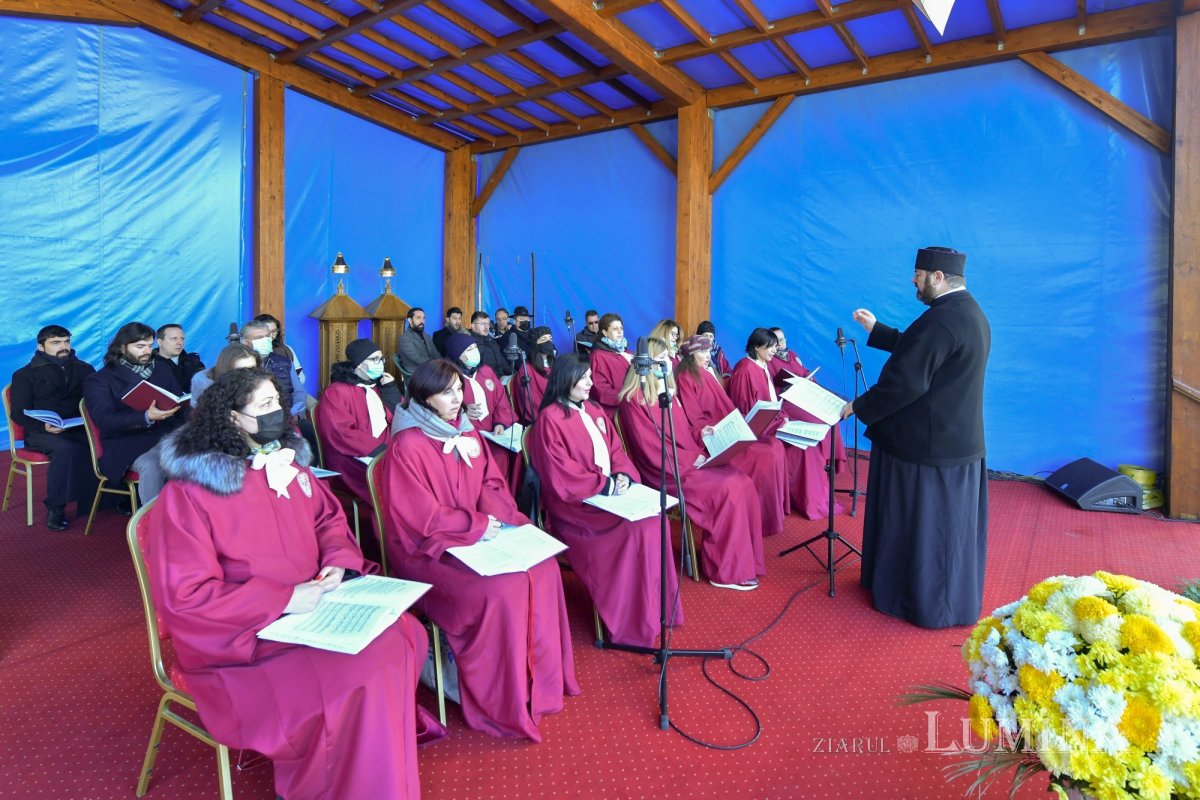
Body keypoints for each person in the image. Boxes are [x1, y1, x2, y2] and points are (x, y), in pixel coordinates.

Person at [150, 367, 441, 800]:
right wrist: (283, 599)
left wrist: (339, 563)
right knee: (357, 672)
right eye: (264, 406)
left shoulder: (290, 468)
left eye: (278, 403)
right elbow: (187, 596)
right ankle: (340, 782)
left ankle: (375, 764)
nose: (278, 413)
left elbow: (328, 521)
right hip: (247, 635)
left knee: (405, 634)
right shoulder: (190, 494)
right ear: (232, 418)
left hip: (316, 606)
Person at [379, 359, 580, 741]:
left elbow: (490, 484)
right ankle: (497, 697)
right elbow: (419, 516)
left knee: (543, 569)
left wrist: (508, 525)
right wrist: (477, 526)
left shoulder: (466, 432)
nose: (459, 398)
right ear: (424, 398)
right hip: (428, 548)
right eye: (447, 392)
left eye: (459, 388)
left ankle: (539, 683)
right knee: (502, 590)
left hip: (480, 537)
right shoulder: (407, 444)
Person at [843, 246, 991, 629]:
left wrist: (859, 406)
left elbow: (908, 379)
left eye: (918, 275)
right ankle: (943, 599)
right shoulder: (966, 312)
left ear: (938, 277)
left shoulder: (941, 321)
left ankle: (919, 602)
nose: (914, 280)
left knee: (927, 532)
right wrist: (877, 330)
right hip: (955, 442)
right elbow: (920, 348)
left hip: (927, 448)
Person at [527, 354, 682, 646]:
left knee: (654, 519)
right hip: (577, 510)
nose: (590, 382)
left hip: (608, 497)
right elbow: (561, 474)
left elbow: (617, 451)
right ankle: (632, 622)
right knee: (636, 530)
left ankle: (658, 612)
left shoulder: (596, 411)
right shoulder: (550, 419)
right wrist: (605, 485)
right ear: (565, 380)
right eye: (583, 377)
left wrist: (623, 473)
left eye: (589, 376)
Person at [617, 338, 765, 590]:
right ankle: (725, 570)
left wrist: (701, 435)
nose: (668, 362)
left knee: (742, 480)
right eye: (662, 358)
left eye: (667, 357)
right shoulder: (633, 400)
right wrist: (689, 459)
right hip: (668, 471)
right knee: (729, 488)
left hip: (688, 460)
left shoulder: (667, 392)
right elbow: (649, 449)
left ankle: (747, 561)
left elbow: (682, 430)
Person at [674, 335, 790, 538]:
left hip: (727, 428)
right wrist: (708, 431)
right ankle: (758, 520)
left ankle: (765, 516)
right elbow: (695, 419)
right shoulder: (685, 378)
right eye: (702, 352)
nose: (708, 356)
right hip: (713, 438)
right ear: (691, 356)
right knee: (763, 455)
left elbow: (726, 408)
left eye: (708, 351)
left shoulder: (706, 373)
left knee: (773, 446)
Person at [728, 327, 843, 521]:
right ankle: (807, 501)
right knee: (805, 449)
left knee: (812, 442)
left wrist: (782, 417)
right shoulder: (745, 369)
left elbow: (771, 399)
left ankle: (813, 499)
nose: (775, 350)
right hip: (760, 427)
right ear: (757, 347)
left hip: (774, 419)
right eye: (771, 346)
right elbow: (746, 409)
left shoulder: (762, 364)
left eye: (775, 345)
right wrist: (778, 422)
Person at [81, 322, 188, 502]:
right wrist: (146, 417)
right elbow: (105, 420)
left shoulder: (161, 368)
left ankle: (196, 515)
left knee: (204, 451)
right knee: (155, 465)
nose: (147, 351)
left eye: (149, 346)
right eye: (140, 346)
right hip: (126, 442)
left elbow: (176, 399)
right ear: (123, 348)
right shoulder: (99, 380)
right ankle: (153, 524)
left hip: (166, 433)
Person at [8, 325, 97, 530]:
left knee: (107, 441)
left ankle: (105, 498)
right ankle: (56, 507)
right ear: (41, 347)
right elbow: (18, 412)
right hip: (41, 432)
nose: (63, 346)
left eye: (66, 341)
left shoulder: (84, 369)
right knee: (66, 449)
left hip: (78, 427)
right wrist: (43, 425)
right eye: (56, 343)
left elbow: (95, 400)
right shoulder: (24, 375)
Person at [316, 338, 402, 505]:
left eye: (381, 359)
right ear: (359, 363)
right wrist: (380, 451)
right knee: (392, 481)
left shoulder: (378, 387)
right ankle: (387, 526)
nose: (380, 364)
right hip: (352, 456)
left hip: (386, 450)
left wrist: (391, 391)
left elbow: (401, 417)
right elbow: (340, 432)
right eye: (374, 359)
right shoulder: (336, 392)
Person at [443, 332, 522, 494]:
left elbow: (501, 399)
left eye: (475, 347)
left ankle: (503, 498)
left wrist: (500, 422)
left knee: (506, 455)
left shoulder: (486, 372)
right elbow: (439, 410)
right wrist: (461, 412)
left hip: (493, 434)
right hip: (466, 436)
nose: (475, 351)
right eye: (469, 349)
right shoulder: (448, 379)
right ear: (458, 355)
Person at [240, 320, 307, 419]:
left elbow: (299, 392)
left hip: (287, 418)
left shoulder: (285, 362)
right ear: (245, 341)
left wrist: (297, 415)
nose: (265, 340)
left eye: (267, 336)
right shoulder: (238, 364)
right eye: (259, 337)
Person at [588, 312, 633, 425]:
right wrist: (627, 398)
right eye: (615, 329)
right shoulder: (598, 356)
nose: (620, 332)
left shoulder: (626, 351)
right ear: (604, 332)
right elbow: (600, 390)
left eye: (621, 328)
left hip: (632, 405)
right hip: (615, 412)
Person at [512, 326, 554, 424]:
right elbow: (530, 402)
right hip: (543, 419)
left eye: (550, 339)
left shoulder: (555, 365)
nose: (549, 342)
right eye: (544, 339)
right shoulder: (527, 370)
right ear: (535, 344)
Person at [189, 343, 258, 402]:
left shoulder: (261, 381)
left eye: (252, 368)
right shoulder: (205, 384)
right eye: (241, 370)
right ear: (227, 369)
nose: (248, 373)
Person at [253, 312, 305, 385]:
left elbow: (301, 376)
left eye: (274, 331)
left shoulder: (286, 349)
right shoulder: (249, 350)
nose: (271, 335)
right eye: (267, 331)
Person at [152, 324, 205, 393]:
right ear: (160, 342)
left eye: (182, 338)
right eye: (174, 338)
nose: (180, 342)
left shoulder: (195, 362)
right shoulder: (149, 367)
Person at [396, 307, 438, 374]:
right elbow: (418, 359)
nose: (422, 321)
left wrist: (444, 363)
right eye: (418, 318)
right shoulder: (405, 339)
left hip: (430, 371)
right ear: (410, 320)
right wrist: (438, 365)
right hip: (415, 375)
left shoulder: (427, 336)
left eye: (423, 318)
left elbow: (436, 354)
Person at [468, 311, 510, 376]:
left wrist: (514, 373)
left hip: (501, 379)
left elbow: (503, 363)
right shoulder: (469, 345)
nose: (486, 327)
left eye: (488, 324)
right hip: (486, 382)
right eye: (483, 324)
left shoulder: (491, 340)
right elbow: (474, 371)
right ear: (473, 326)